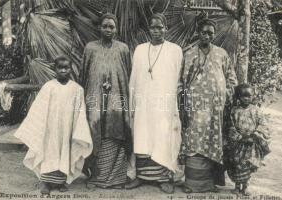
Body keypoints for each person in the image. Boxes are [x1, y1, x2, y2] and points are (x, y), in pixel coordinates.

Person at [14, 56, 93, 195]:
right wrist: (41, 126)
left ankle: (61, 181)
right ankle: (45, 182)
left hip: (68, 127)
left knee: (65, 151)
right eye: (60, 68)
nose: (63, 70)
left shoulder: (77, 89)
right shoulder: (49, 87)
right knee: (49, 151)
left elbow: (80, 111)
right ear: (54, 69)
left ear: (71, 68)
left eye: (66, 67)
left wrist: (77, 128)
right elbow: (39, 108)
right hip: (51, 128)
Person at [178, 18, 237, 193]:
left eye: (211, 32)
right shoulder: (188, 54)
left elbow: (232, 79)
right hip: (195, 107)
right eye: (204, 32)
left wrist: (225, 95)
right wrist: (183, 102)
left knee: (213, 140)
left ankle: (209, 183)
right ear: (198, 32)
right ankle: (191, 184)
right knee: (193, 142)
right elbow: (181, 81)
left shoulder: (222, 54)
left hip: (216, 109)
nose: (207, 35)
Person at [126, 13, 183, 194]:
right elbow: (134, 79)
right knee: (143, 135)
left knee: (163, 136)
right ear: (148, 29)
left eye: (160, 27)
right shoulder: (140, 49)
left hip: (164, 104)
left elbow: (178, 79)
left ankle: (164, 178)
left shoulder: (175, 50)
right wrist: (132, 103)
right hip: (143, 103)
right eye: (153, 27)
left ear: (166, 28)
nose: (157, 31)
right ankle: (141, 176)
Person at [81, 13, 132, 189]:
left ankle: (117, 178)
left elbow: (128, 74)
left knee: (116, 131)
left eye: (112, 26)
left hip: (117, 98)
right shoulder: (90, 48)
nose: (108, 30)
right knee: (95, 130)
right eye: (105, 26)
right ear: (99, 28)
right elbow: (84, 75)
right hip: (95, 97)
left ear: (116, 29)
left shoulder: (123, 49)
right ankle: (95, 176)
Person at [225, 84, 270, 196]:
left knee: (248, 164)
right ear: (238, 97)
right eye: (243, 96)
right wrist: (239, 137)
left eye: (249, 96)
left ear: (252, 96)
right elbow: (230, 126)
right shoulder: (234, 110)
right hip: (238, 143)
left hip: (251, 143)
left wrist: (254, 135)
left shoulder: (256, 111)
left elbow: (263, 125)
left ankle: (245, 187)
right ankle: (236, 187)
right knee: (236, 163)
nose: (246, 99)